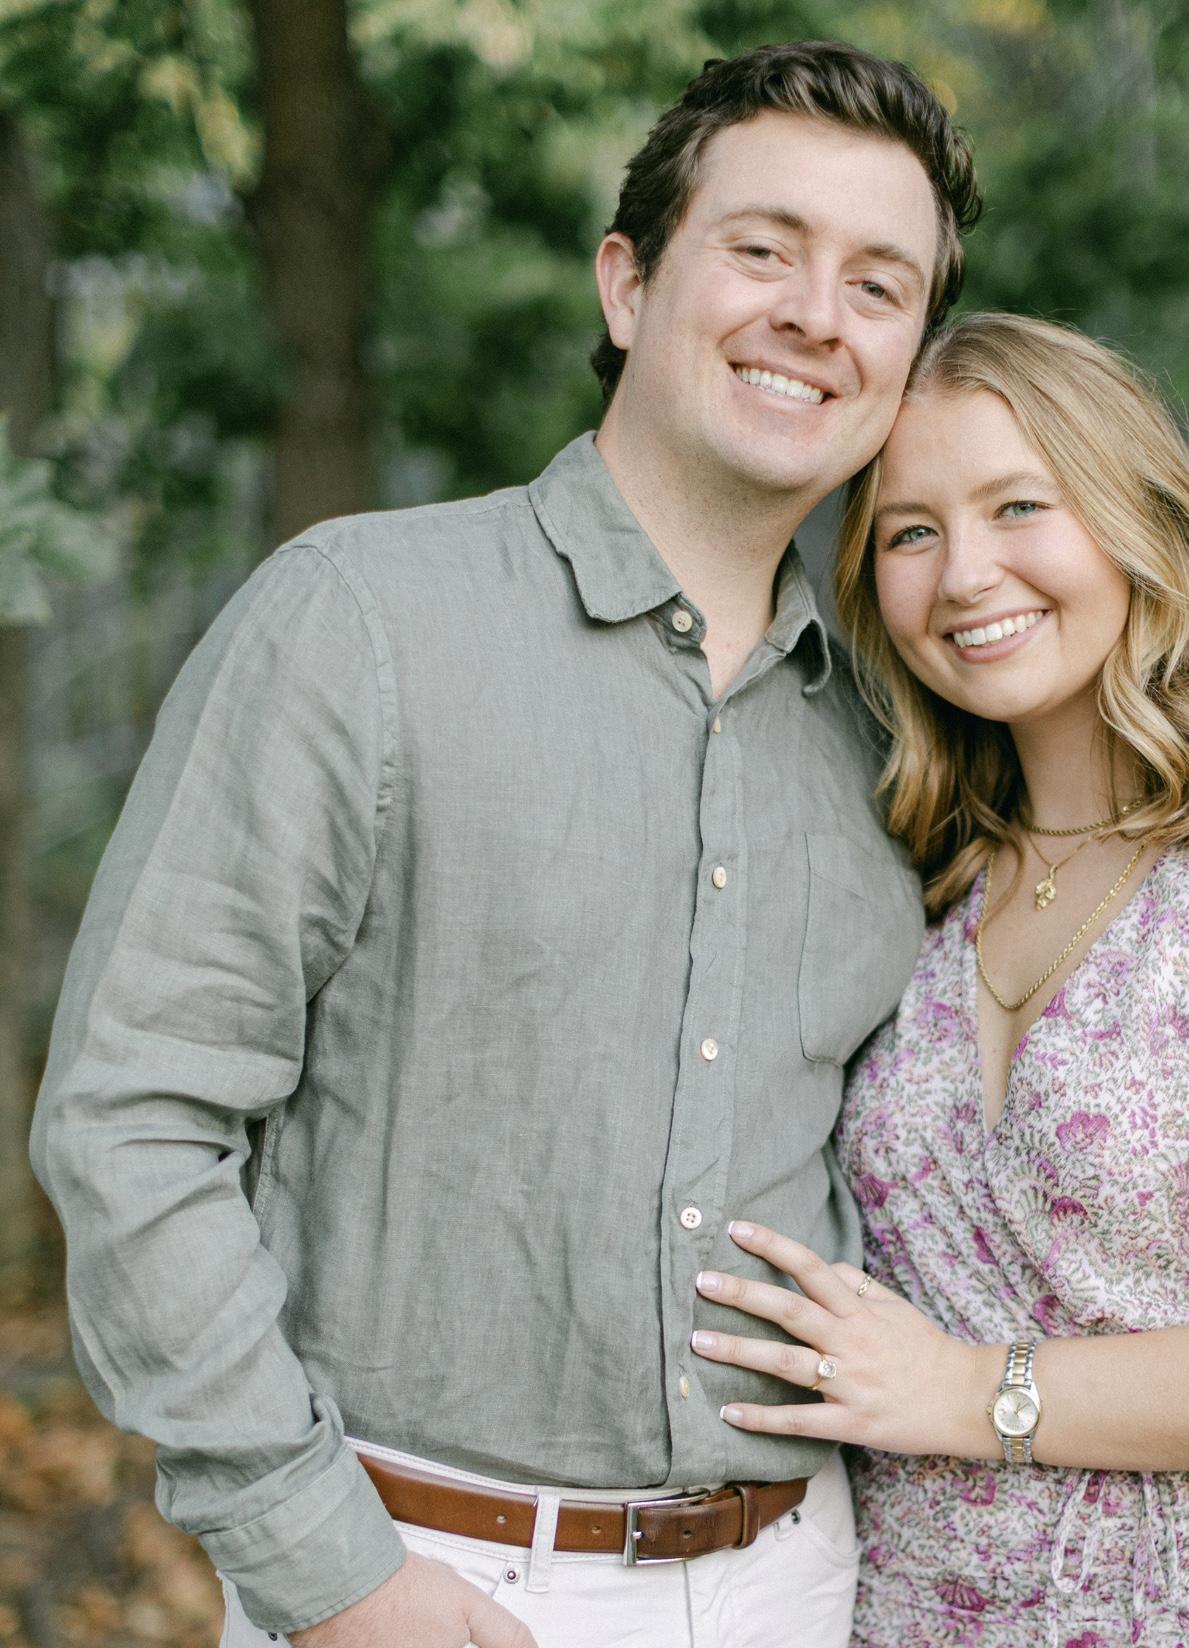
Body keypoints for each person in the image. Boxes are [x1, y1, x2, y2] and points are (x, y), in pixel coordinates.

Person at [30, 41, 981, 1648]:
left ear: (908, 358)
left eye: (878, 285)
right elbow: (135, 1119)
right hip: (425, 1579)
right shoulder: (360, 623)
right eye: (763, 250)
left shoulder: (906, 738)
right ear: (628, 282)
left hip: (811, 1578)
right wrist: (328, 1569)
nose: (819, 315)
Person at [686, 313, 1189, 1646]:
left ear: (1136, 522)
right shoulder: (910, 882)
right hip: (920, 1612)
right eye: (911, 532)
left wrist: (968, 1392)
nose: (965, 573)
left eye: (1018, 507)